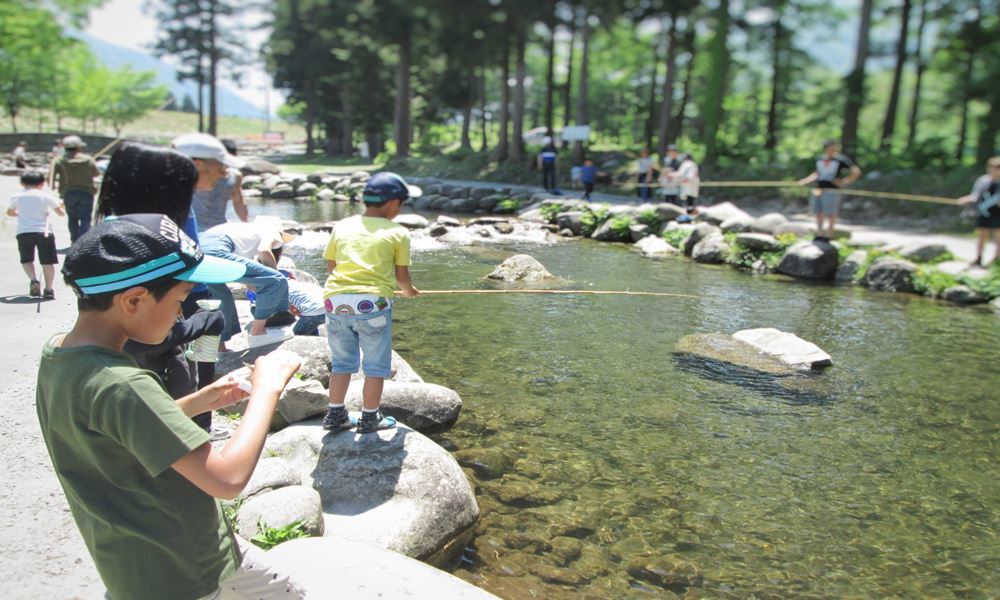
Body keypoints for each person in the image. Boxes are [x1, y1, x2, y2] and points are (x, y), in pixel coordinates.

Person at [38, 214, 306, 600]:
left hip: (160, 557)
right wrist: (268, 391)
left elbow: (117, 428)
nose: (182, 314)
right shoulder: (123, 382)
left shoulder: (62, 354)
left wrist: (201, 400)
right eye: (181, 300)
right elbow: (227, 479)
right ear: (133, 300)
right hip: (178, 569)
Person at [95, 142, 225, 432]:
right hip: (154, 422)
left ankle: (197, 426)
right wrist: (199, 324)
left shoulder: (109, 238)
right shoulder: (148, 246)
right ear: (164, 191)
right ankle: (196, 429)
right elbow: (146, 338)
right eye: (184, 190)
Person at [321, 172, 421, 433]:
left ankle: (335, 414)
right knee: (376, 365)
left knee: (342, 362)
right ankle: (370, 417)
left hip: (335, 302)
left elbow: (331, 268)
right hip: (373, 305)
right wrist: (409, 291)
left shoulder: (342, 226)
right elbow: (401, 277)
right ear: (392, 204)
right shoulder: (398, 233)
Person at [200, 220, 294, 348]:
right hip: (215, 250)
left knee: (222, 297)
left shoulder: (244, 233)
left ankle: (220, 348)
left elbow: (251, 285)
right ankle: (258, 333)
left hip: (195, 249)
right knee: (277, 279)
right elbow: (264, 250)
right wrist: (275, 277)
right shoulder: (271, 231)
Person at [6, 171, 64, 298]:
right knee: (47, 262)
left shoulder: (17, 196)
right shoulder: (45, 196)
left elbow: (10, 212)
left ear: (22, 183)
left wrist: (21, 215)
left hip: (24, 232)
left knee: (26, 259)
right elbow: (61, 213)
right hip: (44, 231)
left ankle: (33, 280)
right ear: (42, 183)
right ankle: (49, 289)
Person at [797, 139, 861, 239]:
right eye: (831, 147)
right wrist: (805, 180)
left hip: (832, 190)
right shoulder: (820, 159)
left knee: (831, 213)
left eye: (834, 147)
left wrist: (845, 182)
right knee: (818, 212)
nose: (833, 149)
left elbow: (856, 171)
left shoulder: (841, 160)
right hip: (819, 189)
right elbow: (817, 173)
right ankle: (820, 234)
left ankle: (829, 235)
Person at [191, 138, 249, 232]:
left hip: (219, 228)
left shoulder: (235, 176)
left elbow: (239, 201)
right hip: (194, 227)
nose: (226, 166)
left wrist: (246, 223)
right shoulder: (197, 174)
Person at [53, 135, 100, 243]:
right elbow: (96, 173)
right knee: (85, 217)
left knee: (72, 218)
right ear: (79, 147)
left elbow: (53, 176)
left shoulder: (60, 160)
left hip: (68, 192)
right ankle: (83, 241)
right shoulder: (88, 159)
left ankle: (74, 240)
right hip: (86, 192)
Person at [959, 156, 1000, 267]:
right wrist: (967, 199)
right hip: (983, 212)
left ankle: (997, 260)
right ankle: (979, 257)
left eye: (996, 169)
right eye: (991, 168)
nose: (993, 171)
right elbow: (975, 195)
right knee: (982, 234)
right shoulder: (983, 180)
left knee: (998, 236)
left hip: (998, 213)